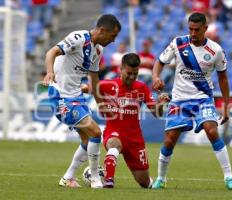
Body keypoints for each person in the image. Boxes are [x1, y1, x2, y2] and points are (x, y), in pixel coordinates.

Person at [151, 12, 232, 190]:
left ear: (205, 28)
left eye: (196, 30)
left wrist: (227, 106)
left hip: (202, 99)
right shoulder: (178, 43)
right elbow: (159, 61)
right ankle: (160, 178)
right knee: (169, 140)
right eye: (190, 29)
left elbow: (223, 78)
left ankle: (229, 177)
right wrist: (155, 77)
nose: (192, 33)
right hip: (180, 99)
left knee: (212, 131)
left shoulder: (216, 50)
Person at [60, 53, 170, 189]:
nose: (131, 77)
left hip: (135, 139)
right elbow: (88, 88)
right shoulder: (108, 85)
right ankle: (108, 180)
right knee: (114, 145)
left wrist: (161, 104)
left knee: (144, 182)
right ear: (121, 69)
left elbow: (157, 113)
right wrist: (71, 92)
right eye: (129, 73)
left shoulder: (141, 88)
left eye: (135, 74)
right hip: (113, 131)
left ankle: (151, 183)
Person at [42, 14, 121, 188]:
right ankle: (95, 178)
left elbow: (94, 79)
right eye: (113, 36)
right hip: (61, 96)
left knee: (87, 140)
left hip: (77, 97)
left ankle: (67, 178)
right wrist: (49, 72)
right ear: (101, 30)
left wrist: (100, 102)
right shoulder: (78, 38)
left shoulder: (98, 51)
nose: (114, 40)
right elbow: (52, 52)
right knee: (95, 133)